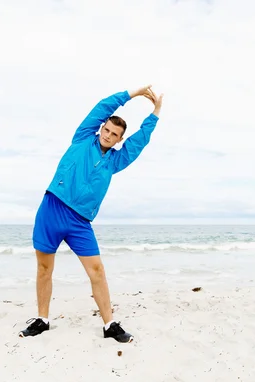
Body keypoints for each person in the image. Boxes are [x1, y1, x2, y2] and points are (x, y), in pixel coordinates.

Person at [18, 85, 163, 343]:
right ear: (101, 129)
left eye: (114, 134)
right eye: (106, 130)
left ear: (119, 140)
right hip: (52, 209)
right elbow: (101, 107)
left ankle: (109, 324)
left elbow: (139, 142)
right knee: (43, 268)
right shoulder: (84, 137)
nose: (108, 135)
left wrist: (155, 112)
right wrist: (132, 94)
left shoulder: (115, 161)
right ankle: (43, 320)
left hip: (80, 222)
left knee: (97, 270)